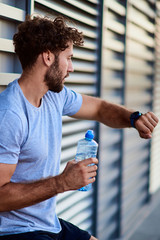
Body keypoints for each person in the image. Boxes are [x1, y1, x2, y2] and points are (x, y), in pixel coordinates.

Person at [0, 15, 158, 240]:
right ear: (47, 57)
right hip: (16, 231)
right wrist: (62, 182)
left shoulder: (54, 96)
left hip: (47, 223)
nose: (71, 68)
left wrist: (133, 119)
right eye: (68, 58)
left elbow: (100, 109)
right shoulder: (10, 115)